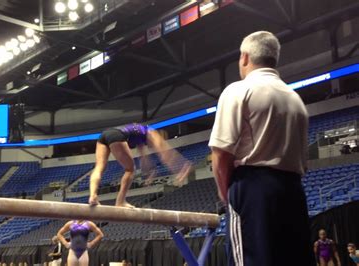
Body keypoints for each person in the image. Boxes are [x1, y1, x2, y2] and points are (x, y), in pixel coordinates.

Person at [208, 31, 313, 266]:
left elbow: (221, 153)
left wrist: (226, 196)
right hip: (293, 190)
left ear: (244, 57)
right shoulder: (295, 99)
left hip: (254, 189)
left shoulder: (238, 90)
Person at [89, 123, 192, 207]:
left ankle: (93, 196)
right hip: (117, 135)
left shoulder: (140, 136)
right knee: (130, 170)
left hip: (105, 134)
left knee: (99, 167)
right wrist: (181, 169)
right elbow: (164, 154)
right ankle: (120, 202)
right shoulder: (152, 132)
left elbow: (143, 158)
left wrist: (150, 173)